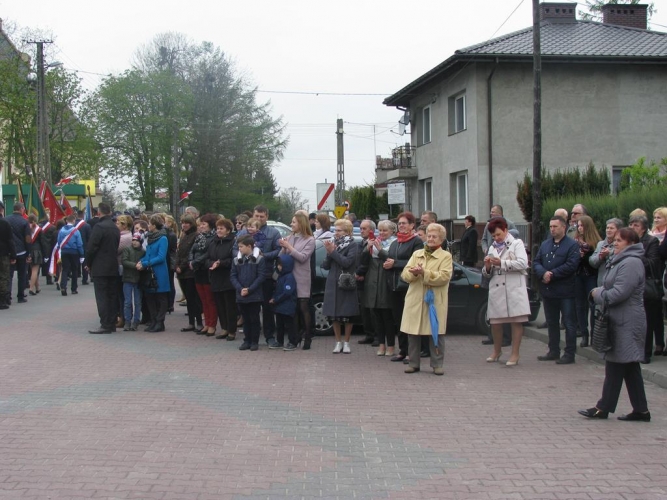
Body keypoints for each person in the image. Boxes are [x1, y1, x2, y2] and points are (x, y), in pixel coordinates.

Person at [579, 228, 651, 422]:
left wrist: (597, 293)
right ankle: (641, 410)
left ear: (630, 244)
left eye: (619, 240)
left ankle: (603, 407)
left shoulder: (631, 262)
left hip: (627, 321)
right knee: (629, 366)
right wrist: (601, 290)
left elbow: (619, 293)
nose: (615, 243)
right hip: (619, 319)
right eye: (615, 240)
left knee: (615, 364)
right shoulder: (620, 260)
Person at [400, 223, 452, 376]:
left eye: (434, 236)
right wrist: (414, 273)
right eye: (429, 236)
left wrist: (424, 272)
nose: (430, 239)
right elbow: (405, 274)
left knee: (436, 332)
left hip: (434, 301)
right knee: (413, 332)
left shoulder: (446, 256)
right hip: (415, 298)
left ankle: (437, 364)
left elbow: (444, 277)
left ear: (441, 239)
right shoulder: (417, 254)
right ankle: (413, 363)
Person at [482, 218, 531, 366]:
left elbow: (523, 263)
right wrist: (487, 267)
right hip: (497, 288)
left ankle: (515, 353)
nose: (496, 238)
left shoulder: (517, 244)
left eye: (498, 234)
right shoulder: (492, 248)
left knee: (516, 321)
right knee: (495, 322)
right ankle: (497, 351)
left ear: (505, 230)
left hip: (513, 287)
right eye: (493, 236)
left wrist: (502, 263)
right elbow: (487, 272)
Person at [533, 216, 580, 364]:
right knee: (552, 322)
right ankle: (553, 350)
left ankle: (569, 353)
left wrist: (552, 274)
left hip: (565, 291)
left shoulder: (572, 245)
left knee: (568, 323)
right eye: (551, 226)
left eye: (555, 226)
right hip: (548, 291)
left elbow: (571, 265)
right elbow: (536, 261)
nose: (552, 229)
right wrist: (543, 273)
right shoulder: (545, 244)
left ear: (563, 227)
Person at [385, 212, 424, 362]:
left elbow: (415, 262)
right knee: (399, 319)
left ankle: (411, 353)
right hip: (394, 286)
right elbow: (390, 259)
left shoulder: (416, 242)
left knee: (410, 320)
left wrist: (395, 263)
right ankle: (402, 350)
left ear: (412, 225)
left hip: (408, 286)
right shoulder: (395, 243)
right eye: (399, 223)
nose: (401, 226)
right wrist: (387, 263)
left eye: (404, 223)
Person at [629, 215, 663, 362]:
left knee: (647, 320)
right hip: (631, 284)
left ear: (643, 228)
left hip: (647, 285)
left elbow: (652, 263)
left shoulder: (651, 241)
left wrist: (635, 252)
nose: (632, 228)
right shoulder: (626, 241)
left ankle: (646, 352)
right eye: (630, 224)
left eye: (636, 225)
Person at [322, 219, 359, 354]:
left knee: (348, 313)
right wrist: (329, 253)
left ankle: (347, 342)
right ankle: (338, 342)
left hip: (346, 282)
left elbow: (347, 263)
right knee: (334, 314)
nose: (336, 233)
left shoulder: (353, 244)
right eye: (335, 230)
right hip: (332, 282)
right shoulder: (333, 243)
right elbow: (325, 265)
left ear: (347, 231)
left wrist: (333, 252)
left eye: (339, 230)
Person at [278, 212, 315, 349]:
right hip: (290, 277)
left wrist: (289, 247)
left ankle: (308, 336)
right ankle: (295, 338)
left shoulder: (310, 240)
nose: (291, 224)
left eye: (294, 222)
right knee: (293, 309)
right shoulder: (290, 237)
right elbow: (282, 257)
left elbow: (303, 257)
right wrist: (283, 247)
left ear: (301, 223)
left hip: (302, 277)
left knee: (303, 307)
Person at [362, 219, 397, 357]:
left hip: (385, 281)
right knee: (376, 316)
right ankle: (381, 344)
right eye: (380, 230)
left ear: (392, 231)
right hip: (373, 281)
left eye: (385, 230)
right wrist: (367, 249)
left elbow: (391, 259)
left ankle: (391, 345)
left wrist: (380, 249)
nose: (382, 233)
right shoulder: (375, 241)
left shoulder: (395, 243)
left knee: (387, 317)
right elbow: (363, 261)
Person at [85, 203, 121, 334]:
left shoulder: (99, 227)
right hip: (113, 265)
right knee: (112, 296)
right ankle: (111, 323)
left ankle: (105, 324)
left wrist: (88, 263)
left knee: (102, 297)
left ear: (99, 213)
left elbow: (91, 247)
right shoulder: (115, 228)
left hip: (100, 266)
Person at [251, 205, 282, 348]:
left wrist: (264, 256)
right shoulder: (246, 231)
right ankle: (252, 338)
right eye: (256, 216)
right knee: (251, 309)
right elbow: (235, 248)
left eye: (261, 216)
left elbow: (279, 250)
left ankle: (269, 336)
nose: (258, 219)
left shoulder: (273, 233)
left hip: (266, 275)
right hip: (249, 275)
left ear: (267, 217)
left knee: (267, 308)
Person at [231, 235, 265, 351]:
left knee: (254, 319)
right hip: (241, 295)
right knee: (245, 319)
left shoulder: (259, 259)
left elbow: (261, 277)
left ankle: (254, 341)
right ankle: (247, 340)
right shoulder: (236, 260)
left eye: (241, 246)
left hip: (254, 295)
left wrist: (249, 289)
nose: (239, 249)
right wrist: (240, 288)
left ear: (249, 246)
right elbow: (233, 276)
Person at [136, 214, 170, 332]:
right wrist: (141, 261)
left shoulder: (163, 238)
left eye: (150, 224)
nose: (148, 226)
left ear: (154, 225)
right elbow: (148, 254)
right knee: (150, 296)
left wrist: (145, 263)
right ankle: (153, 320)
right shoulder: (150, 237)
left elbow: (161, 257)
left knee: (160, 297)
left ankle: (160, 322)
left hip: (159, 272)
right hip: (149, 272)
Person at [574, 215, 602, 347]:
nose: (580, 228)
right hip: (578, 276)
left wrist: (583, 257)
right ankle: (584, 334)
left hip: (590, 276)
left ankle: (593, 335)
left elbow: (594, 263)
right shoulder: (575, 242)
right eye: (578, 226)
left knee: (592, 305)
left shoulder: (596, 243)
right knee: (580, 306)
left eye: (582, 226)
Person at [207, 218, 237, 340]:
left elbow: (233, 260)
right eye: (217, 228)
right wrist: (211, 263)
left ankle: (231, 330)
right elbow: (207, 258)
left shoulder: (232, 242)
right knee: (219, 305)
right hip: (215, 277)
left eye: (221, 228)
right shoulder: (213, 242)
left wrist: (221, 263)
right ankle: (224, 328)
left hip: (227, 277)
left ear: (228, 230)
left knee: (229, 306)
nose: (219, 230)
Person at [189, 214, 218, 336]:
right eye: (200, 224)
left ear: (210, 225)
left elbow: (208, 253)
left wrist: (195, 262)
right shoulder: (199, 237)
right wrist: (191, 261)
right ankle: (206, 323)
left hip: (206, 270)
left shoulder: (213, 238)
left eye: (204, 224)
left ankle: (212, 325)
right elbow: (192, 250)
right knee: (203, 300)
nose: (201, 226)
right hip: (197, 270)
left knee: (210, 299)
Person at [175, 215, 202, 332]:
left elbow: (191, 253)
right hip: (182, 271)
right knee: (188, 298)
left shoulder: (196, 236)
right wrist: (176, 265)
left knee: (193, 298)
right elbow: (179, 252)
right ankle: (191, 322)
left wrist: (181, 266)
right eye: (183, 223)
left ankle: (199, 322)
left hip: (190, 271)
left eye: (187, 223)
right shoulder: (184, 236)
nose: (184, 225)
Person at [355, 219, 377, 346]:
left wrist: (360, 273)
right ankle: (369, 334)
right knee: (364, 310)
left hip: (370, 279)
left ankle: (377, 336)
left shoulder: (373, 243)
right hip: (361, 281)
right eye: (361, 228)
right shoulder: (360, 243)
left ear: (371, 230)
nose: (361, 231)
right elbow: (358, 260)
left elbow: (368, 262)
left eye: (364, 228)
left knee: (373, 310)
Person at [271, 254, 299, 350]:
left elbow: (287, 292)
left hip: (287, 306)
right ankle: (280, 341)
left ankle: (293, 342)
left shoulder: (289, 277)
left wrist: (276, 299)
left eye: (280, 265)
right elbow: (276, 290)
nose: (279, 267)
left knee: (290, 325)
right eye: (278, 264)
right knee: (279, 325)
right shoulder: (280, 276)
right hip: (279, 306)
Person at [6, 202, 31, 304]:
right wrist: (28, 253)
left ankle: (7, 296)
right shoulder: (24, 222)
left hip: (9, 252)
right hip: (22, 252)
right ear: (21, 209)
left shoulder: (6, 220)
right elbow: (28, 239)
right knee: (22, 275)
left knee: (9, 275)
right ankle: (20, 296)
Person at [121, 232, 146, 331]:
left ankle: (136, 321)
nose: (134, 242)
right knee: (127, 302)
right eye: (133, 240)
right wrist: (135, 265)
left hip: (138, 279)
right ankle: (127, 321)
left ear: (140, 242)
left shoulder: (143, 251)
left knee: (137, 302)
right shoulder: (127, 249)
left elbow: (144, 261)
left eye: (137, 241)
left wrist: (142, 266)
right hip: (127, 278)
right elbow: (124, 261)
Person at [57, 214, 85, 297]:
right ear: (74, 221)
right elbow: (79, 244)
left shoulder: (61, 230)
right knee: (74, 270)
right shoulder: (76, 231)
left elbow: (59, 242)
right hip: (74, 252)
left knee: (65, 269)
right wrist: (82, 254)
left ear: (66, 221)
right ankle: (73, 289)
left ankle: (63, 287)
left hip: (64, 251)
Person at [590, 218, 622, 287]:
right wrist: (600, 257)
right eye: (607, 228)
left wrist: (609, 254)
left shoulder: (621, 245)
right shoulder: (600, 244)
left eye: (611, 228)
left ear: (618, 230)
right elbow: (592, 262)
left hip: (614, 283)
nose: (608, 230)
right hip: (601, 282)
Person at [115, 215, 133, 328]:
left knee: (122, 294)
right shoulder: (122, 236)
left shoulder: (125, 238)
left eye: (118, 223)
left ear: (124, 225)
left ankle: (124, 317)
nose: (116, 225)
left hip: (121, 268)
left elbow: (115, 249)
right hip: (120, 267)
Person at [0, 201, 17, 309]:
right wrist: (13, 255)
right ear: (1, 209)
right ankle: (2, 300)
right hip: (3, 253)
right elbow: (10, 240)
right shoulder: (5, 223)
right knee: (4, 276)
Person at [27, 214, 48, 296]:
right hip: (37, 251)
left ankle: (37, 287)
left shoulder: (26, 228)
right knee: (35, 271)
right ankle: (31, 288)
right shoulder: (39, 230)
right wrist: (46, 254)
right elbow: (43, 243)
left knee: (32, 270)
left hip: (29, 250)